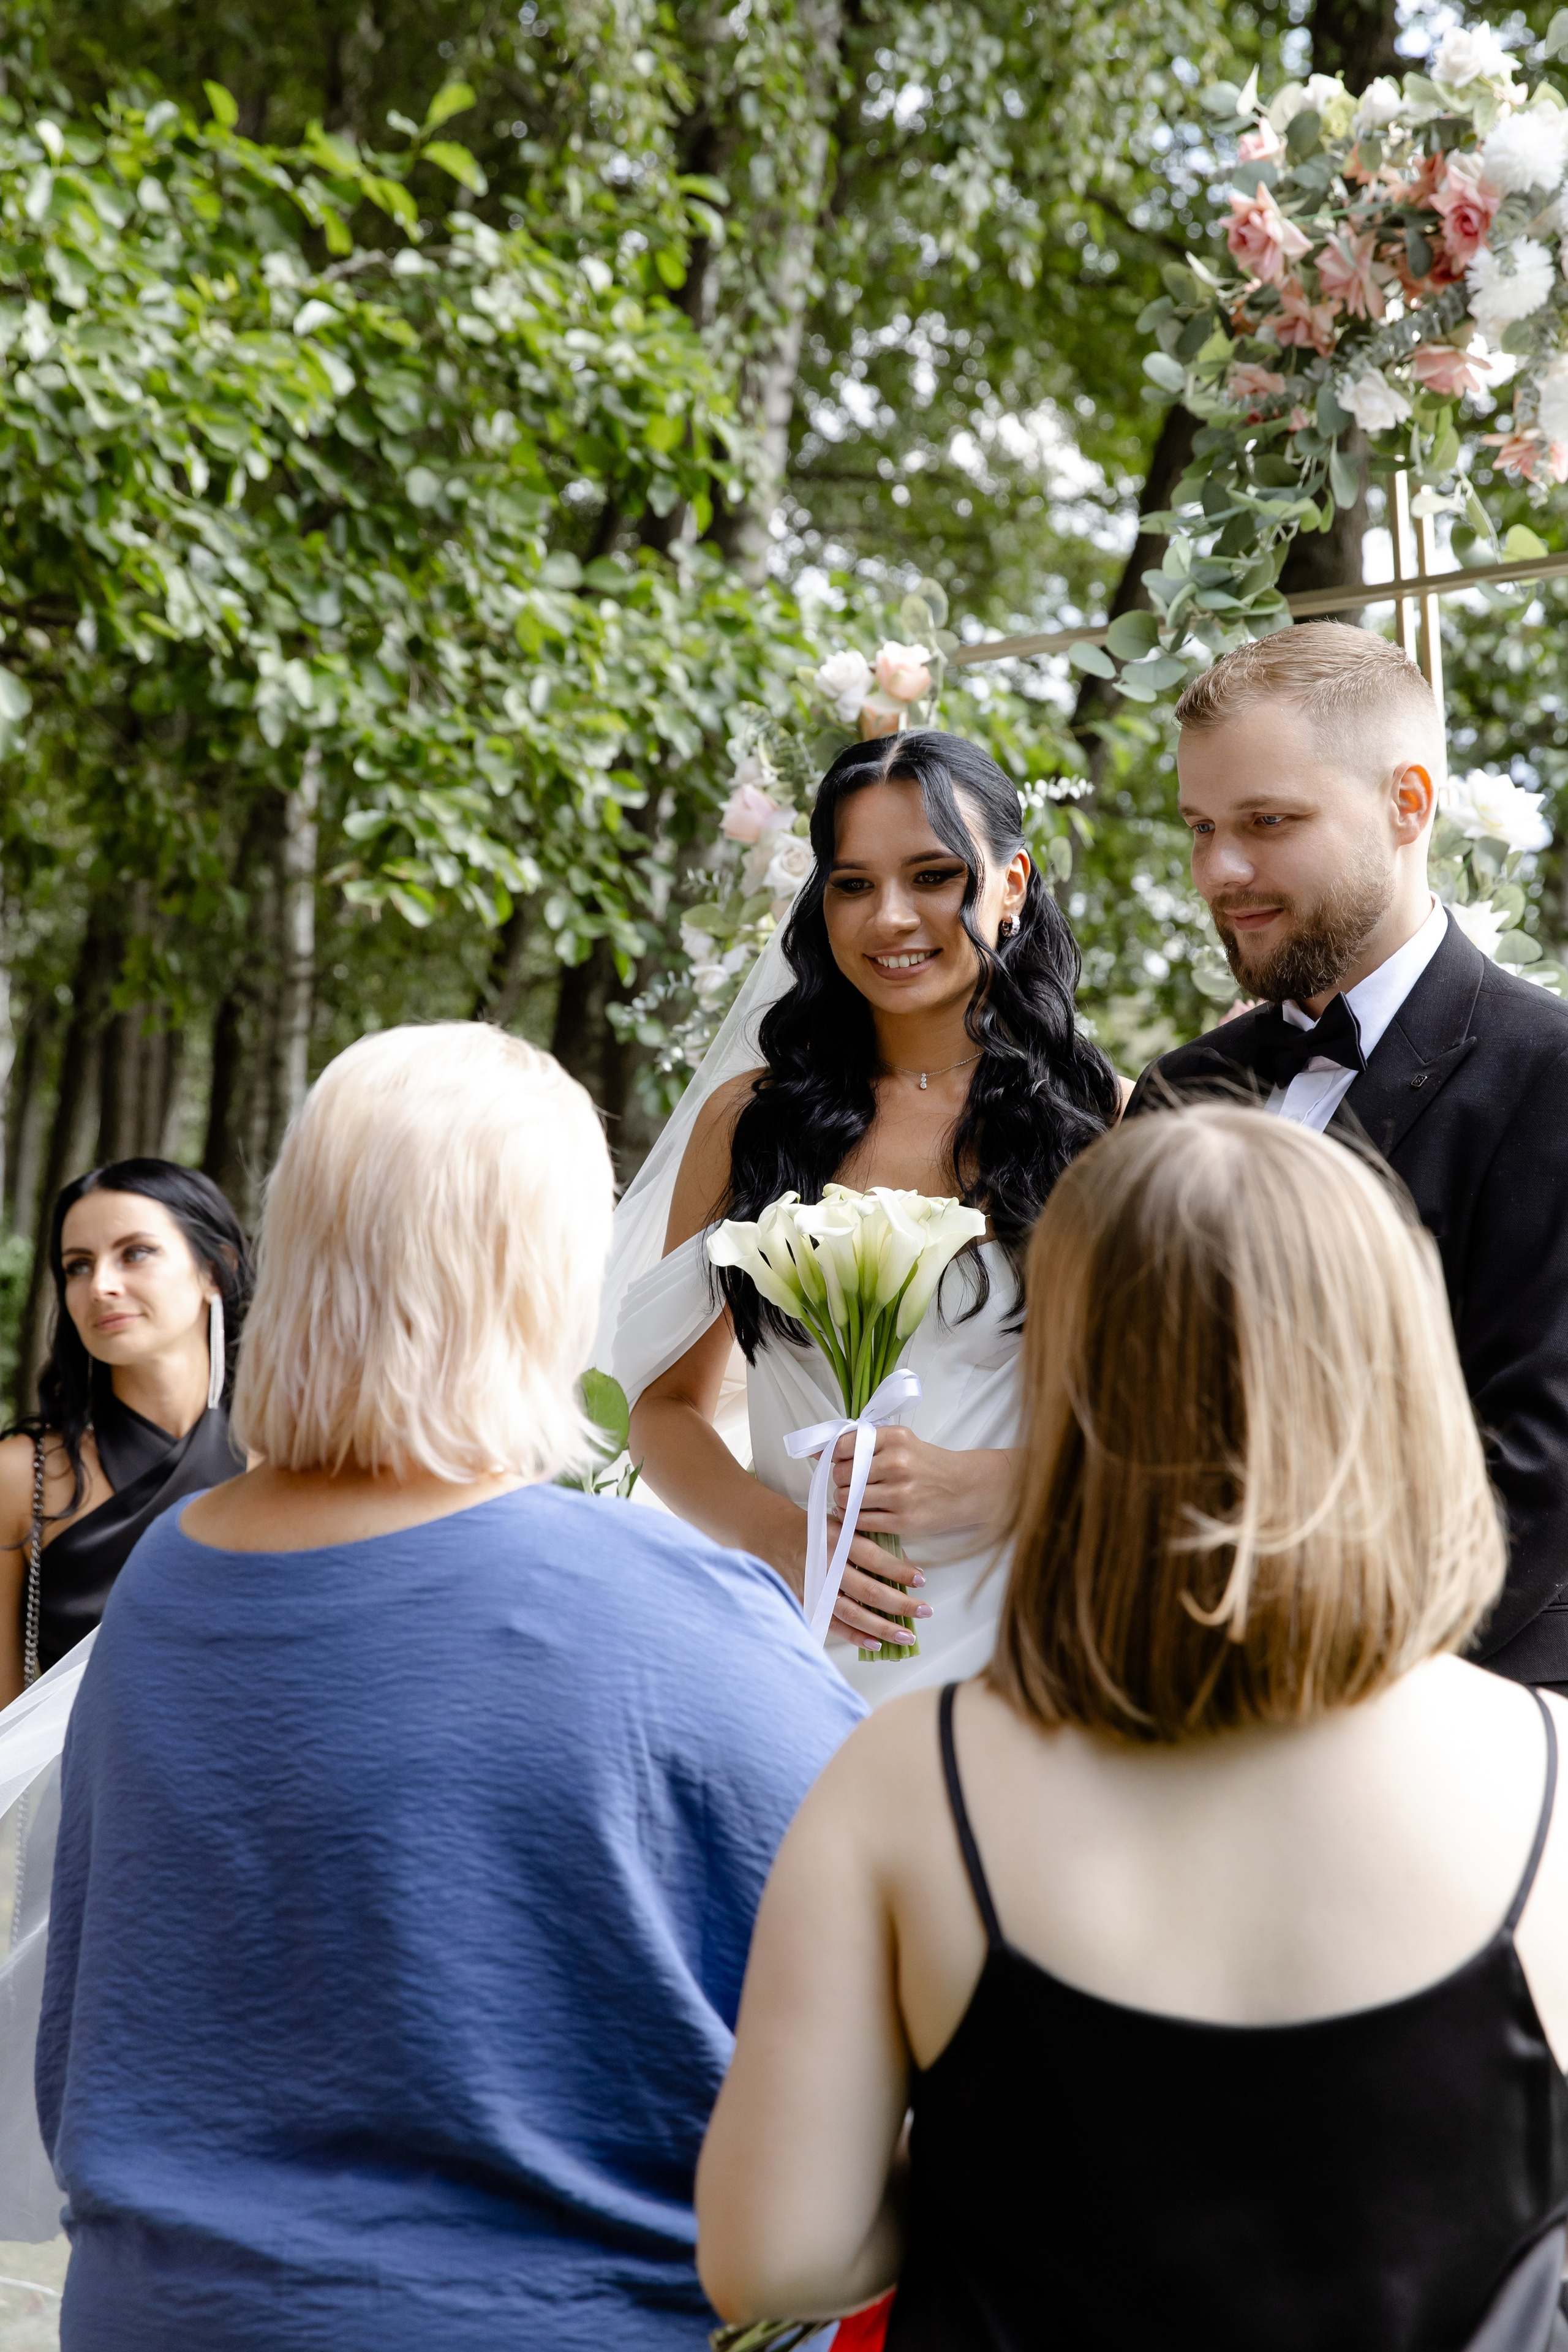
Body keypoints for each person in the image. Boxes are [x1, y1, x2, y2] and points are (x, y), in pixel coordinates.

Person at [35, 1023, 863, 2352]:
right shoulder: (666, 1605)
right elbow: (907, 1991)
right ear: (543, 1273)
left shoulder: (165, 1580)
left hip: (164, 2313)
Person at [697, 1106, 1568, 2352]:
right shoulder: (1547, 1771)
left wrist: (982, 2168)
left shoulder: (912, 1777)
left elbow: (772, 2259)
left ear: (1072, 1393)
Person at [608, 729, 1120, 1697]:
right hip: (797, 1644)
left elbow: (1178, 1437)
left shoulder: (1111, 1127)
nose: (889, 918)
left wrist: (996, 1484)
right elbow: (665, 1407)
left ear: (1011, 885)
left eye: (933, 876)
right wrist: (778, 1539)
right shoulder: (751, 1124)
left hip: (1027, 1647)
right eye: (852, 885)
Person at [1125, 624, 1568, 1689]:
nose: (1219, 871)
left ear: (1407, 803)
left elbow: (1540, 1466)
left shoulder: (1548, 1073)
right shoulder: (1179, 1090)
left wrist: (1299, 1689)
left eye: (1267, 822)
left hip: (1466, 1704)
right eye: (1201, 828)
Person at [0, 1157, 251, 1698]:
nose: (101, 1286)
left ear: (215, 1270)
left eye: (135, 1253)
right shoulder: (23, 1476)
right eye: (78, 1266)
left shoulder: (286, 1455)